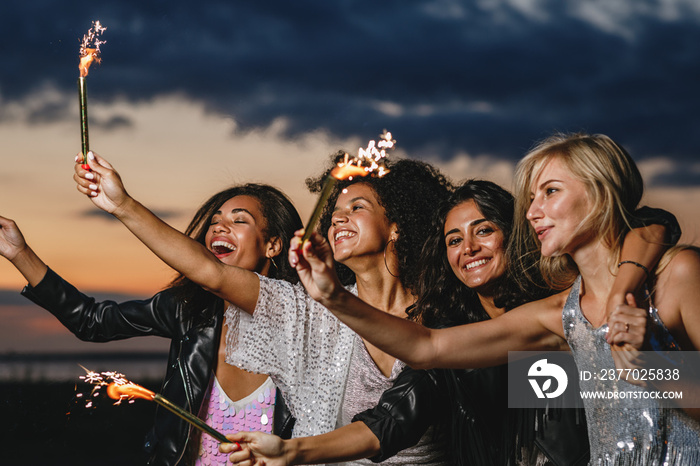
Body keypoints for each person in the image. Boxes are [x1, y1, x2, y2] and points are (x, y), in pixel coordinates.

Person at [289, 133, 700, 465]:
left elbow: (652, 223)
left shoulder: (673, 274)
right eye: (453, 240)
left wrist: (655, 366)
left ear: (599, 192)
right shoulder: (553, 315)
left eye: (550, 192)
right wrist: (332, 296)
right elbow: (424, 350)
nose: (533, 211)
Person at [72, 150, 453, 465]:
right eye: (335, 209)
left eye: (357, 207)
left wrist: (291, 450)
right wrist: (122, 205)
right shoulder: (310, 310)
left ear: (397, 226)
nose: (338, 216)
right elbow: (212, 272)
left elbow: (386, 427)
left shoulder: (442, 322)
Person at [0, 175, 303, 465]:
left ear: (273, 245)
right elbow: (92, 321)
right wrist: (19, 253)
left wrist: (122, 204)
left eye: (239, 220)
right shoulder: (187, 309)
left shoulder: (303, 319)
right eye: (214, 222)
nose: (219, 228)